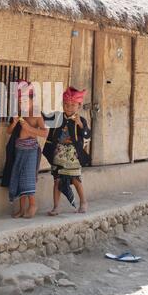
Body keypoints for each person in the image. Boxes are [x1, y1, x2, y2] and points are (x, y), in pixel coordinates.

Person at [4, 80, 48, 219]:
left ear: (32, 100)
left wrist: (29, 129)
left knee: (28, 178)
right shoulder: (19, 115)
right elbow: (9, 131)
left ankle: (33, 205)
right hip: (19, 149)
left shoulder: (36, 115)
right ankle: (22, 209)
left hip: (31, 151)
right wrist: (15, 122)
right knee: (20, 178)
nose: (22, 104)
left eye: (25, 101)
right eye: (20, 102)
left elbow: (45, 133)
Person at [44, 87, 91, 216]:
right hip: (58, 153)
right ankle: (56, 207)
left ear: (79, 106)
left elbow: (87, 135)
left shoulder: (81, 120)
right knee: (57, 180)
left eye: (72, 105)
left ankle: (83, 202)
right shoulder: (58, 117)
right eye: (66, 104)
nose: (69, 107)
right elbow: (44, 120)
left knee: (75, 179)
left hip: (73, 155)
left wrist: (80, 125)